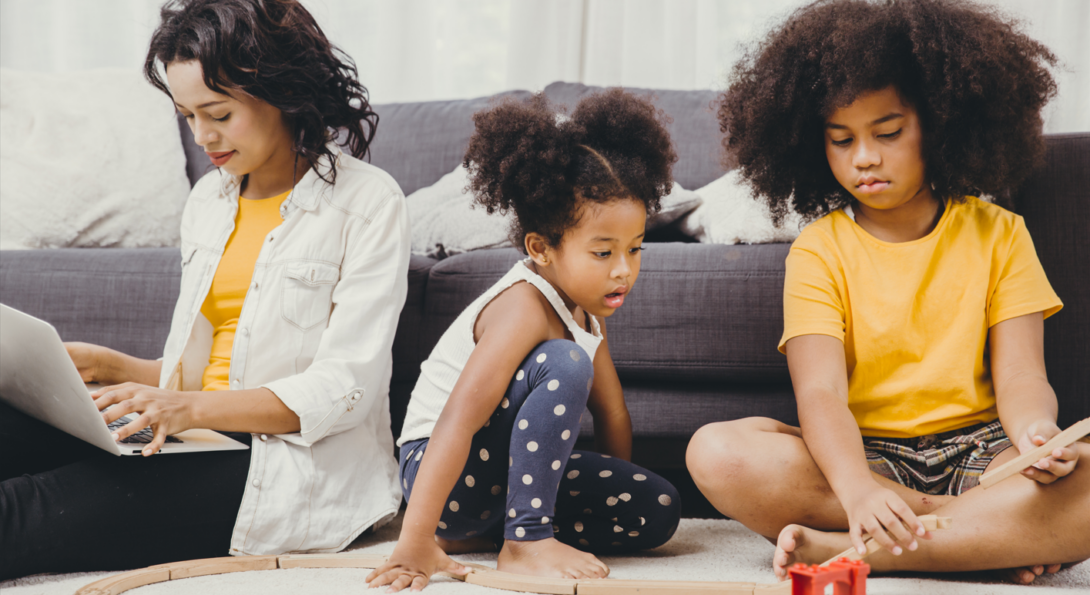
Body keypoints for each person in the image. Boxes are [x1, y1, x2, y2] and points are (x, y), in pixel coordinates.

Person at [0, 0, 408, 579]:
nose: (201, 136)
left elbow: (346, 388)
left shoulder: (368, 202)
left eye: (217, 113)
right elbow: (223, 361)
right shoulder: (209, 201)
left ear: (282, 91)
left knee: (22, 512)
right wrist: (112, 367)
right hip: (195, 434)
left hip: (277, 466)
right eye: (187, 115)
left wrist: (186, 407)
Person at [686, 0, 1088, 585]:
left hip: (983, 455)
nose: (864, 158)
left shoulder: (1001, 233)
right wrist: (856, 493)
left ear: (939, 124)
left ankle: (870, 548)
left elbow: (1022, 377)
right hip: (864, 458)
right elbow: (820, 394)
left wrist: (1035, 437)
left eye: (888, 132)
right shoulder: (819, 250)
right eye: (841, 140)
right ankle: (976, 538)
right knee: (717, 453)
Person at [366, 90, 683, 591]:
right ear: (541, 248)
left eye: (635, 249)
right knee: (566, 362)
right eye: (603, 252)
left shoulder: (586, 313)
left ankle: (509, 530)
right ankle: (524, 542)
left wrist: (610, 484)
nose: (624, 270)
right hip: (441, 474)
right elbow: (457, 422)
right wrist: (414, 539)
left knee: (659, 507)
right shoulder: (522, 306)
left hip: (498, 485)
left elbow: (612, 413)